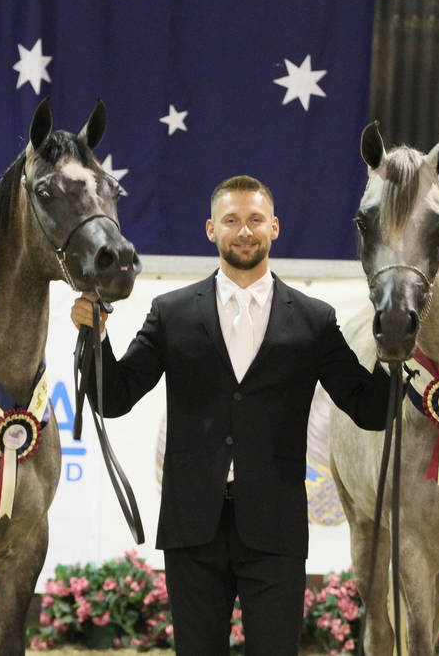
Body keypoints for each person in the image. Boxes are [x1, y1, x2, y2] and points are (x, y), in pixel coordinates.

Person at [70, 175, 390, 655]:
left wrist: (392, 351)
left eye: (256, 220)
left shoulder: (314, 320)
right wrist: (96, 340)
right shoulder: (171, 313)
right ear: (211, 229)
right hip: (192, 528)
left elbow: (369, 408)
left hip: (275, 530)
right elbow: (115, 398)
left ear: (274, 228)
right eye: (232, 220)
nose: (244, 231)